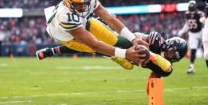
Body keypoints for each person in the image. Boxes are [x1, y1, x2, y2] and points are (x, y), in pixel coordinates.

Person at [37, 0, 148, 67]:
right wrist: (125, 53)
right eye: (78, 4)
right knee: (91, 47)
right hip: (66, 35)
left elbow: (111, 19)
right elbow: (95, 45)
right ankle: (52, 51)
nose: (84, 6)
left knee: (114, 39)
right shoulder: (65, 16)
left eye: (85, 2)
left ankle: (148, 41)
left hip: (83, 21)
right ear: (68, 1)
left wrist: (133, 39)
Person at [37, 31, 188, 77]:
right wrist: (144, 47)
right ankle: (51, 51)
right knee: (91, 45)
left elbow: (154, 81)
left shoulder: (162, 64)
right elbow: (140, 37)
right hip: (127, 45)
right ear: (169, 45)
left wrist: (159, 103)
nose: (172, 57)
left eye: (175, 57)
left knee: (127, 65)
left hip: (127, 58)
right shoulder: (157, 42)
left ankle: (51, 51)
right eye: (173, 54)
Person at [178, 0, 205, 74]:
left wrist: (181, 32)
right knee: (193, 50)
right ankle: (191, 66)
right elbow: (187, 24)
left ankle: (192, 66)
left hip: (200, 32)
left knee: (199, 49)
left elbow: (187, 25)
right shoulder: (196, 13)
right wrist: (182, 31)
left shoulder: (192, 13)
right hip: (193, 33)